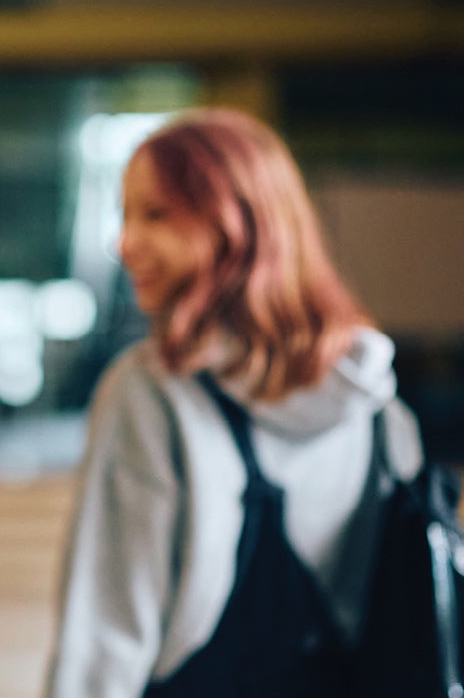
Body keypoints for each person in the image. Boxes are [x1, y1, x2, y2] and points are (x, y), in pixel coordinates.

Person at [46, 109, 426, 697]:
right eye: (125, 215)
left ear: (235, 225)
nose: (124, 244)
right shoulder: (376, 405)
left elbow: (105, 640)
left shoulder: (151, 393)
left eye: (157, 214)